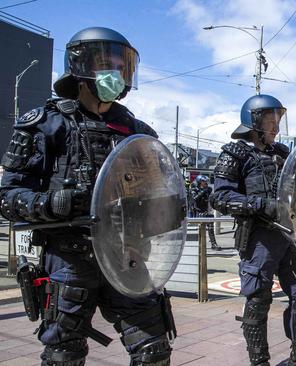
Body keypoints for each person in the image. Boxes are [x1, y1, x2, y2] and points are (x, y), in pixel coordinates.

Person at [0, 27, 176, 365]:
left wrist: (163, 210)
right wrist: (51, 203)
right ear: (81, 67)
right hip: (69, 260)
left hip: (127, 257)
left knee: (154, 351)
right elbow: (8, 197)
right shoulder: (45, 125)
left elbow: (160, 194)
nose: (119, 74)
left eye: (123, 66)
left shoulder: (138, 132)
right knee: (63, 355)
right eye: (109, 65)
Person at [210, 94, 296, 365]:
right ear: (254, 123)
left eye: (278, 121)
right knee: (258, 301)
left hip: (287, 235)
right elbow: (219, 198)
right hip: (259, 238)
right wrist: (262, 205)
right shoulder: (235, 154)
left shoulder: (283, 153)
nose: (276, 127)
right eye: (271, 121)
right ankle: (260, 362)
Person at [191, 175, 220, 250]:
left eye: (206, 181)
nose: (206, 183)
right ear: (200, 182)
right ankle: (200, 245)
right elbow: (194, 199)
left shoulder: (208, 189)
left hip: (207, 211)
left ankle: (214, 244)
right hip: (200, 212)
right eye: (204, 181)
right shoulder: (195, 190)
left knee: (211, 228)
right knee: (201, 230)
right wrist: (203, 191)